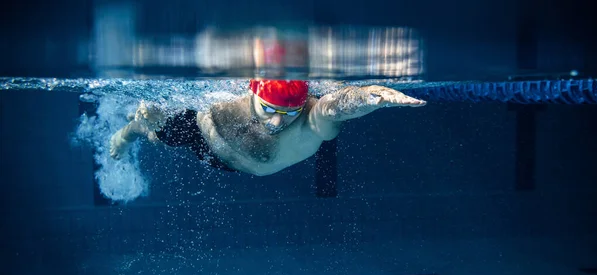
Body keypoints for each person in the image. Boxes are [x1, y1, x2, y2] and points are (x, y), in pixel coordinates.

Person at [109, 79, 426, 176]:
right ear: (252, 93)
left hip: (229, 164)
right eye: (269, 109)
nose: (277, 122)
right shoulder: (223, 96)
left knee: (159, 130)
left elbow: (334, 106)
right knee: (154, 127)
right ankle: (126, 133)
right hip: (202, 133)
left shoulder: (311, 120)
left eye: (290, 113)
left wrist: (370, 96)